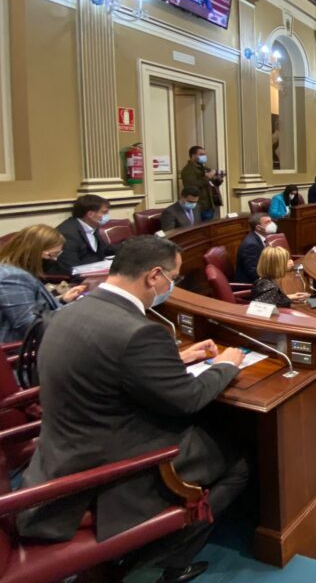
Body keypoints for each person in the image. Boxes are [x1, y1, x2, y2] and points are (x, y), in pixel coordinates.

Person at [17, 236, 248, 583]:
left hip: (58, 455)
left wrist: (177, 359)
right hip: (110, 472)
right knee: (239, 461)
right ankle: (162, 561)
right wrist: (226, 365)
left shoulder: (68, 312)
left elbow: (100, 365)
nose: (173, 285)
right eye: (174, 277)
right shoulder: (139, 332)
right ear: (154, 276)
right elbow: (187, 400)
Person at [0, 225, 87, 343]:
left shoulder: (17, 271)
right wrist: (73, 315)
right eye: (51, 255)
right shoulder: (13, 277)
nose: (54, 260)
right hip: (20, 352)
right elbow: (29, 326)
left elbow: (33, 307)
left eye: (57, 255)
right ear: (32, 252)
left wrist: (62, 301)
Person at [51, 194, 117, 275]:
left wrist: (130, 247)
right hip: (78, 279)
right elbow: (71, 268)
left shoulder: (92, 226)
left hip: (96, 272)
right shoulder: (68, 233)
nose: (107, 216)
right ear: (90, 214)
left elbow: (106, 249)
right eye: (104, 212)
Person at [235, 212, 276, 284]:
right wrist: (279, 269)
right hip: (253, 285)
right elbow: (255, 273)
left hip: (264, 279)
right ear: (258, 227)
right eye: (268, 222)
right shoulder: (251, 245)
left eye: (271, 221)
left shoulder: (264, 238)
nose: (272, 224)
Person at [180, 146, 217, 222]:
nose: (204, 156)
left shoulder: (203, 168)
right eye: (201, 154)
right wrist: (207, 177)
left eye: (205, 154)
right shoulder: (188, 170)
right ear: (193, 156)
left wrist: (216, 178)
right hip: (200, 206)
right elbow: (191, 188)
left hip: (210, 204)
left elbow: (213, 183)